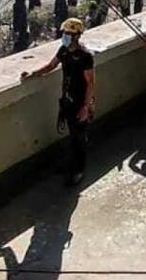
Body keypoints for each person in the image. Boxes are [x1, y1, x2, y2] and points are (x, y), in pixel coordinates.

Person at [20, 18, 96, 185]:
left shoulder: (85, 56)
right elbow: (50, 66)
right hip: (68, 100)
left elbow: (90, 83)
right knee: (72, 135)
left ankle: (79, 170)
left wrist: (86, 106)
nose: (64, 36)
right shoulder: (63, 50)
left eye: (68, 33)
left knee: (79, 138)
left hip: (80, 102)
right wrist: (32, 74)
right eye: (64, 33)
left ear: (76, 35)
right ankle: (71, 165)